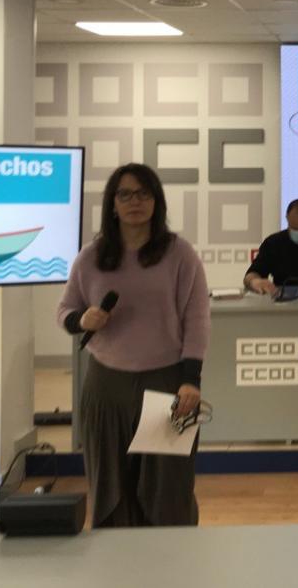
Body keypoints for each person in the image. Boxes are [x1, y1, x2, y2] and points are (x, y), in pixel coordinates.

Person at [56, 163, 210, 528]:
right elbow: (64, 311)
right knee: (111, 488)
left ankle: (171, 561)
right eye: (124, 194)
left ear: (156, 202)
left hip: (167, 385)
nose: (134, 202)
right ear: (112, 204)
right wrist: (82, 320)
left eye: (143, 193)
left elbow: (197, 320)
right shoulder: (91, 256)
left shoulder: (179, 254)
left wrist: (191, 379)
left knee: (168, 490)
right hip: (106, 387)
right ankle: (116, 561)